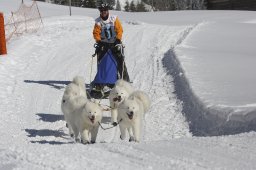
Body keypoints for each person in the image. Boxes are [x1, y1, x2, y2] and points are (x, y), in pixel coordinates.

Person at [93, 3, 130, 88]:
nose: (104, 12)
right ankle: (101, 81)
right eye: (102, 10)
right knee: (101, 62)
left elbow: (119, 29)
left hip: (115, 43)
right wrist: (99, 41)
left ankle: (125, 81)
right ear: (100, 11)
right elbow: (96, 33)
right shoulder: (98, 21)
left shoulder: (114, 18)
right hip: (103, 44)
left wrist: (118, 39)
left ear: (108, 10)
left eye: (105, 10)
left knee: (120, 61)